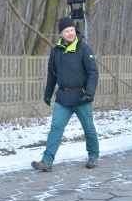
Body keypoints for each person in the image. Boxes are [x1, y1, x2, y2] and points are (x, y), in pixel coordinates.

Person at [32, 17, 99, 172]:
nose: (70, 33)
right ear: (60, 34)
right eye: (66, 31)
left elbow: (93, 73)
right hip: (63, 97)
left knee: (88, 128)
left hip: (81, 97)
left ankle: (93, 156)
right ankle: (47, 161)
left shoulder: (84, 49)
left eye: (72, 30)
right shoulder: (56, 51)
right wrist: (48, 93)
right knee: (55, 128)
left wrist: (89, 93)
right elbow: (52, 74)